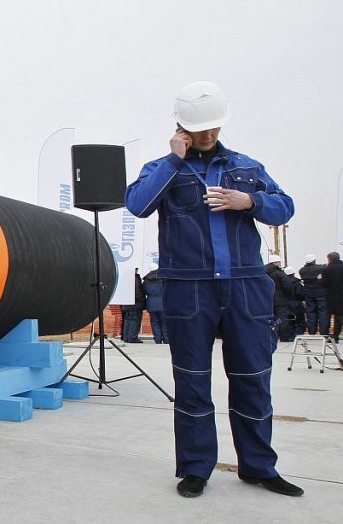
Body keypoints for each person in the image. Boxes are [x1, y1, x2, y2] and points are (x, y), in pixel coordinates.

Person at [126, 81, 302, 498]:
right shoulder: (162, 167)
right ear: (180, 125)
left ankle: (258, 466)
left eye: (213, 128)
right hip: (188, 289)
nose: (207, 136)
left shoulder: (248, 167)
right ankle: (195, 468)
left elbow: (286, 206)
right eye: (199, 129)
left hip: (246, 286)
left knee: (253, 378)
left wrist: (250, 202)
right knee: (191, 380)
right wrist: (174, 159)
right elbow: (138, 204)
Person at [265, 255, 299, 342]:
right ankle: (284, 337)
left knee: (269, 319)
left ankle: (271, 336)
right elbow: (288, 286)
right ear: (275, 263)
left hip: (267, 299)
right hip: (280, 300)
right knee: (283, 318)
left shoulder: (264, 273)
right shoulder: (279, 273)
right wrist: (289, 296)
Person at [299, 254, 328, 335]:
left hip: (308, 294)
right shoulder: (321, 268)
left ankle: (311, 331)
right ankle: (324, 331)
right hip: (321, 293)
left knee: (310, 312)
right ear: (314, 260)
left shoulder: (302, 270)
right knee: (323, 312)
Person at [142, 262, 168, 343]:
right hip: (163, 304)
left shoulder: (146, 280)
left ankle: (157, 339)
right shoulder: (162, 279)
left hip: (151, 304)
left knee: (154, 322)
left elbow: (144, 292)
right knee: (165, 323)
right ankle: (167, 339)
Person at [323, 252, 343, 343]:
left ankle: (332, 336)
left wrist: (320, 280)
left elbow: (324, 283)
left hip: (332, 296)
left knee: (332, 316)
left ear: (329, 259)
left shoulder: (327, 269)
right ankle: (335, 336)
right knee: (339, 316)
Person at [121, 268, 145, 343]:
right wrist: (143, 300)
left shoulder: (124, 278)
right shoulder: (134, 279)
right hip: (135, 304)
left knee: (127, 320)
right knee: (135, 320)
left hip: (126, 304)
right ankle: (132, 337)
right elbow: (137, 292)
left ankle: (126, 337)